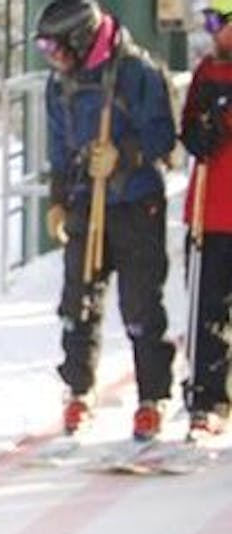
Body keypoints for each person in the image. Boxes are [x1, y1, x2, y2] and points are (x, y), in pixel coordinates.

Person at [34, 0, 178, 440]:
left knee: (140, 305)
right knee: (78, 301)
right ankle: (79, 390)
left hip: (135, 203)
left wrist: (124, 155)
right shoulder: (59, 85)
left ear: (80, 39)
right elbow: (59, 147)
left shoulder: (137, 72)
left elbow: (164, 136)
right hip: (84, 198)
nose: (52, 59)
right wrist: (58, 199)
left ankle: (153, 397)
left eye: (56, 48)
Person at [176, 0, 232, 439]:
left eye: (218, 22)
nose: (212, 33)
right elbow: (190, 126)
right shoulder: (208, 72)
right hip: (211, 212)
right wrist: (199, 133)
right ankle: (208, 396)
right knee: (208, 308)